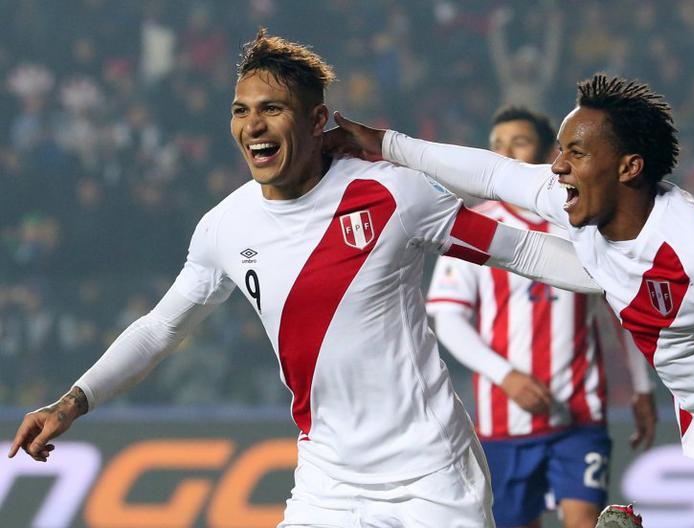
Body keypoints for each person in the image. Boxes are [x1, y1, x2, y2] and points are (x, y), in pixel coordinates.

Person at [6, 30, 605, 528]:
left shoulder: (392, 192)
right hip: (329, 482)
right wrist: (71, 403)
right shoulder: (224, 226)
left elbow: (523, 250)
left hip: (432, 478)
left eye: (272, 108)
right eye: (241, 110)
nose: (253, 125)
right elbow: (161, 328)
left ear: (318, 119)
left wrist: (625, 275)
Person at [325, 73, 694, 528]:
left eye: (575, 152)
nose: (558, 166)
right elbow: (494, 174)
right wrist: (383, 144)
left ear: (629, 167)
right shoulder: (589, 219)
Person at [426, 106, 656, 528]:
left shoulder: (582, 223)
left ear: (549, 153)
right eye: (496, 145)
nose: (504, 152)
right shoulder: (473, 225)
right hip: (505, 419)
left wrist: (642, 387)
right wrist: (505, 375)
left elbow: (624, 308)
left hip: (580, 412)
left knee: (586, 520)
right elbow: (449, 319)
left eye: (518, 142)